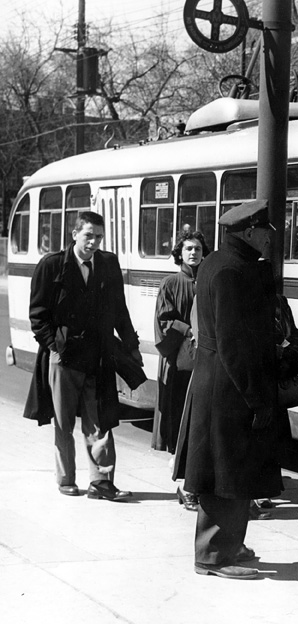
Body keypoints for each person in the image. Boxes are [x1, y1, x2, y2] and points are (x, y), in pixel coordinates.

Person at [173, 199, 283, 580]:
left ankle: (230, 544)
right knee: (224, 472)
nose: (270, 237)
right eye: (265, 230)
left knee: (235, 469)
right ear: (250, 232)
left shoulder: (221, 264)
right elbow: (234, 344)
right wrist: (257, 397)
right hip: (230, 386)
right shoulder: (231, 272)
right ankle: (213, 555)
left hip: (223, 382)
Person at [24, 211, 142, 501]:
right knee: (63, 422)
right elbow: (38, 315)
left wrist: (131, 344)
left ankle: (101, 482)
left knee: (99, 419)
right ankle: (66, 478)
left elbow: (119, 309)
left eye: (99, 237)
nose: (94, 242)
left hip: (98, 356)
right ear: (74, 233)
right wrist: (54, 347)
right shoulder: (52, 266)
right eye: (89, 235)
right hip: (64, 357)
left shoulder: (108, 264)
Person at [152, 229, 210, 510]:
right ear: (179, 253)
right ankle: (182, 482)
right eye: (188, 248)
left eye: (198, 248)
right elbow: (164, 320)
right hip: (180, 361)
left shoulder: (209, 280)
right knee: (180, 419)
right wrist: (189, 330)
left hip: (207, 360)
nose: (194, 253)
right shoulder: (171, 283)